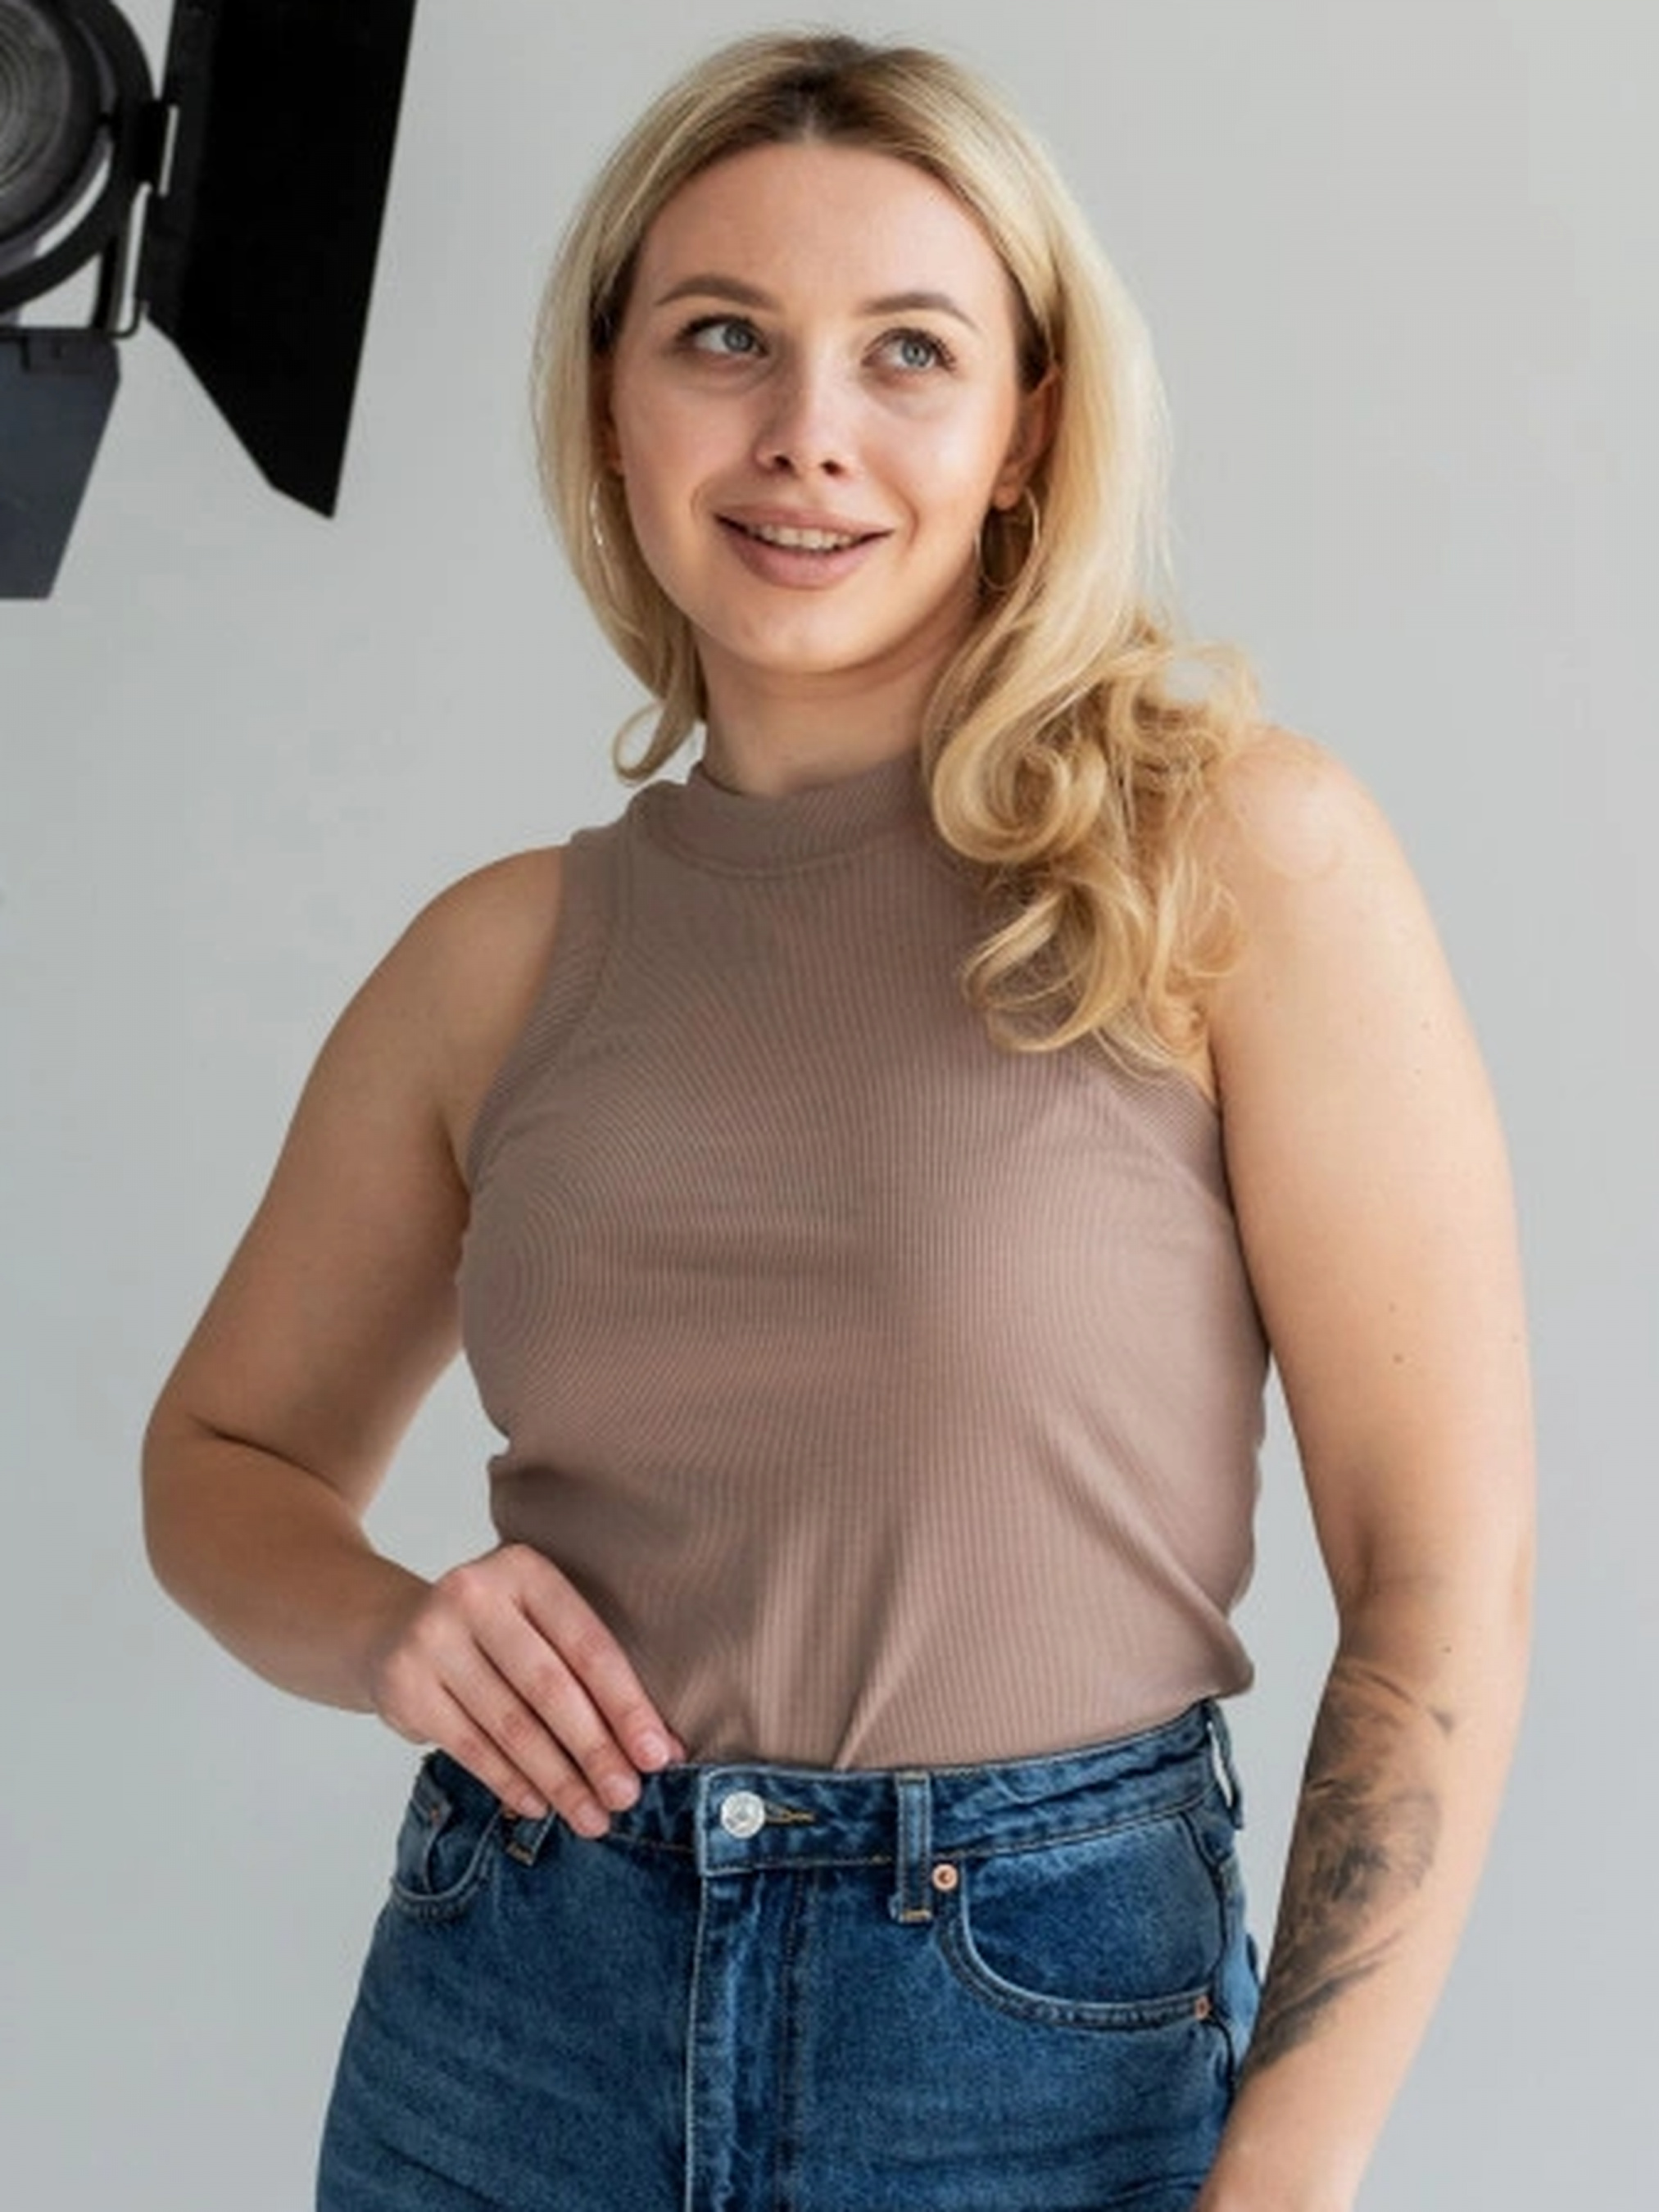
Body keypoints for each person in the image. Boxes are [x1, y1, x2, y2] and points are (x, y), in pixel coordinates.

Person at [142, 29, 1534, 2212]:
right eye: (723, 338)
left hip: (1033, 2043)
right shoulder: (495, 958)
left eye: (908, 351)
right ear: (612, 400)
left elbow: (1441, 1579)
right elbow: (221, 1461)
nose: (806, 431)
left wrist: (1292, 2166)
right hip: (509, 2020)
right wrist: (387, 1628)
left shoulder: (1231, 862)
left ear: (1024, 427)